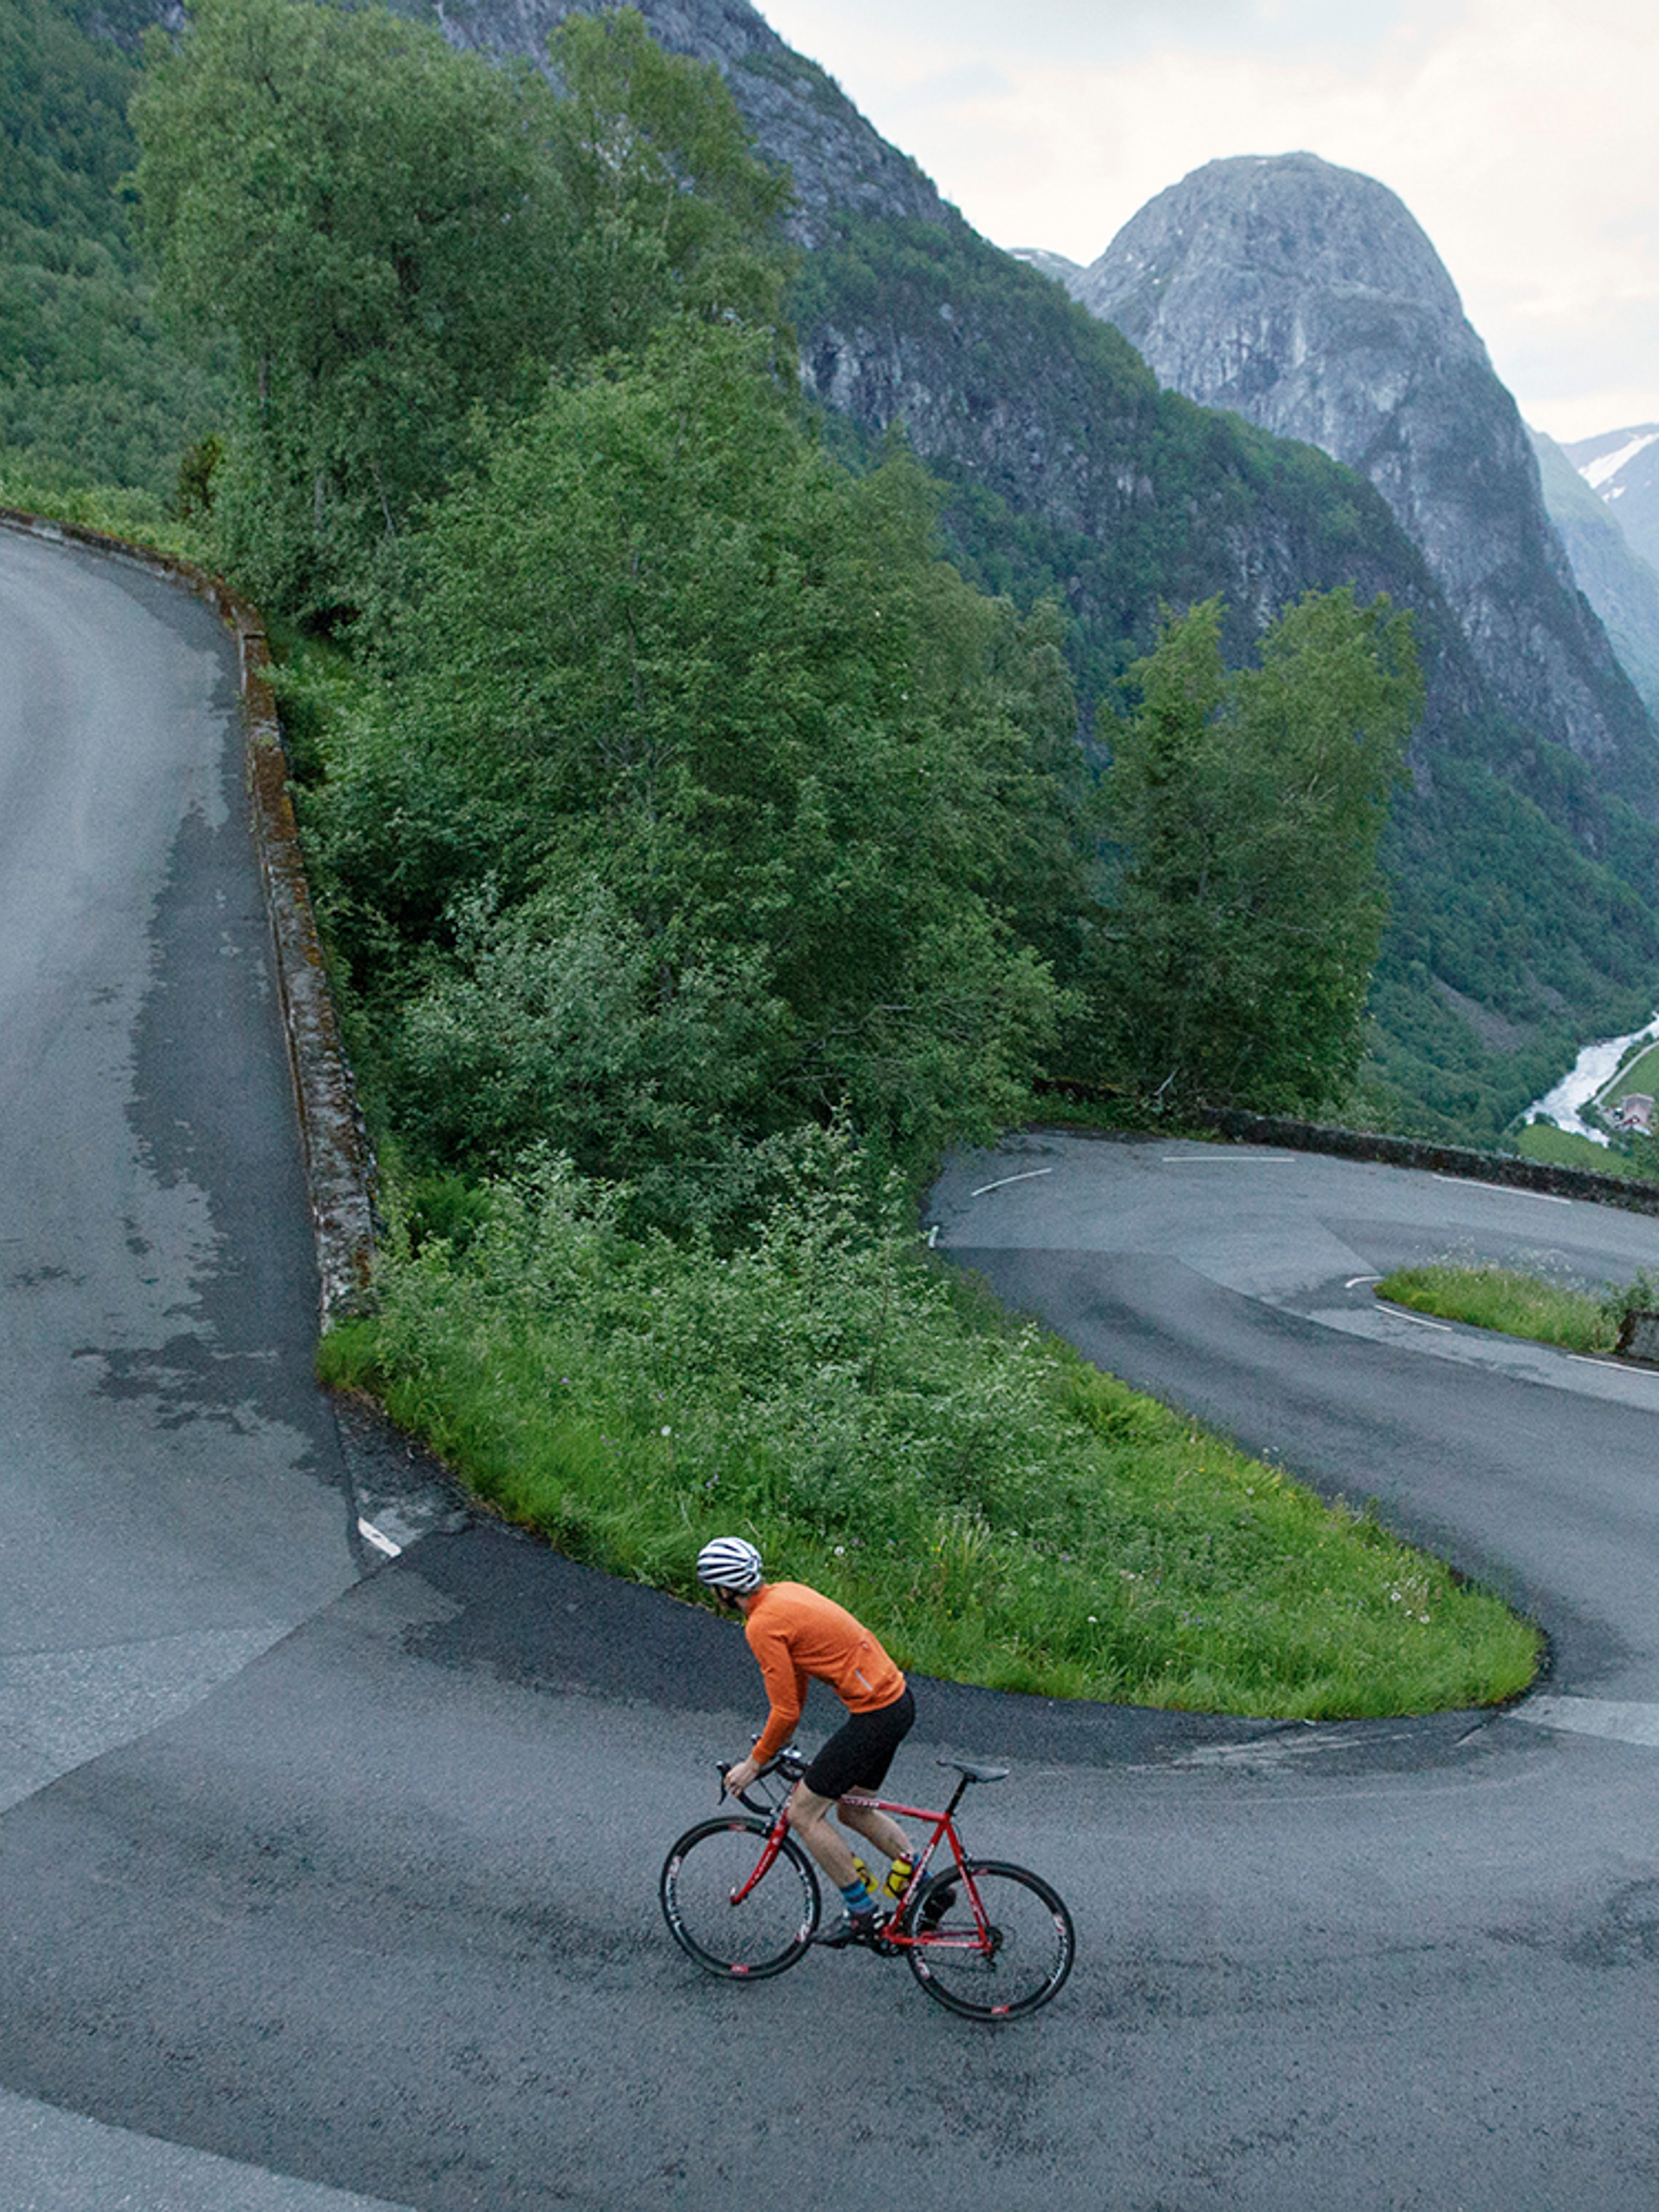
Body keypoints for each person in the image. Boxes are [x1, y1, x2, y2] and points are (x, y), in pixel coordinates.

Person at [696, 1535, 918, 1947]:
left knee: (803, 1814)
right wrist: (778, 1743)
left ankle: (862, 1913)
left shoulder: (761, 1625)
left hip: (875, 1714)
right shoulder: (783, 1594)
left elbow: (786, 1712)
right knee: (853, 1810)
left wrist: (755, 1762)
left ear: (725, 1589)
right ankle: (925, 1889)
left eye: (713, 1588)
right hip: (897, 1703)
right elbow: (795, 1682)